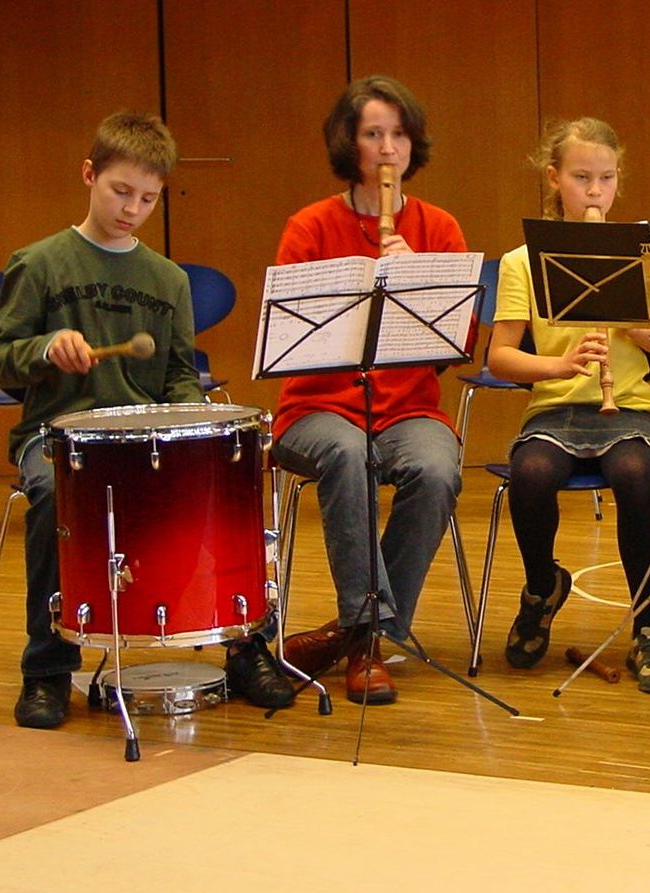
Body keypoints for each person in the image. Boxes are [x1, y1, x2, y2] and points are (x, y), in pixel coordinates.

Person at [0, 112, 295, 729]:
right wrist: (46, 349)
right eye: (120, 191)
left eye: (148, 198)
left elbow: (180, 374)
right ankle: (48, 669)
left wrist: (195, 411)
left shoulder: (168, 280)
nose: (132, 208)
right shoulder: (40, 263)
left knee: (227, 490)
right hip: (60, 440)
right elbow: (1, 361)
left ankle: (245, 644)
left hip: (143, 444)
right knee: (52, 496)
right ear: (89, 175)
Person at [274, 75, 465, 706]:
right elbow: (295, 347)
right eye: (373, 135)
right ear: (349, 145)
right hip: (318, 406)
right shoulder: (309, 227)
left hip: (408, 407)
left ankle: (356, 635)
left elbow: (449, 348)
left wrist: (414, 283)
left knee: (436, 467)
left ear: (413, 146)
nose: (388, 149)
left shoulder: (439, 227)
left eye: (398, 135)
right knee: (347, 454)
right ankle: (370, 642)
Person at [488, 118, 650, 693]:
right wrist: (560, 364)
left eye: (605, 178)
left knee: (633, 473)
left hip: (627, 408)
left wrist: (630, 319)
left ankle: (648, 624)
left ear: (618, 181)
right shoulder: (522, 261)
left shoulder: (639, 258)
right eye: (581, 178)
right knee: (529, 476)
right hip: (553, 408)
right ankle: (541, 585)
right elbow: (501, 356)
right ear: (555, 180)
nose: (594, 191)